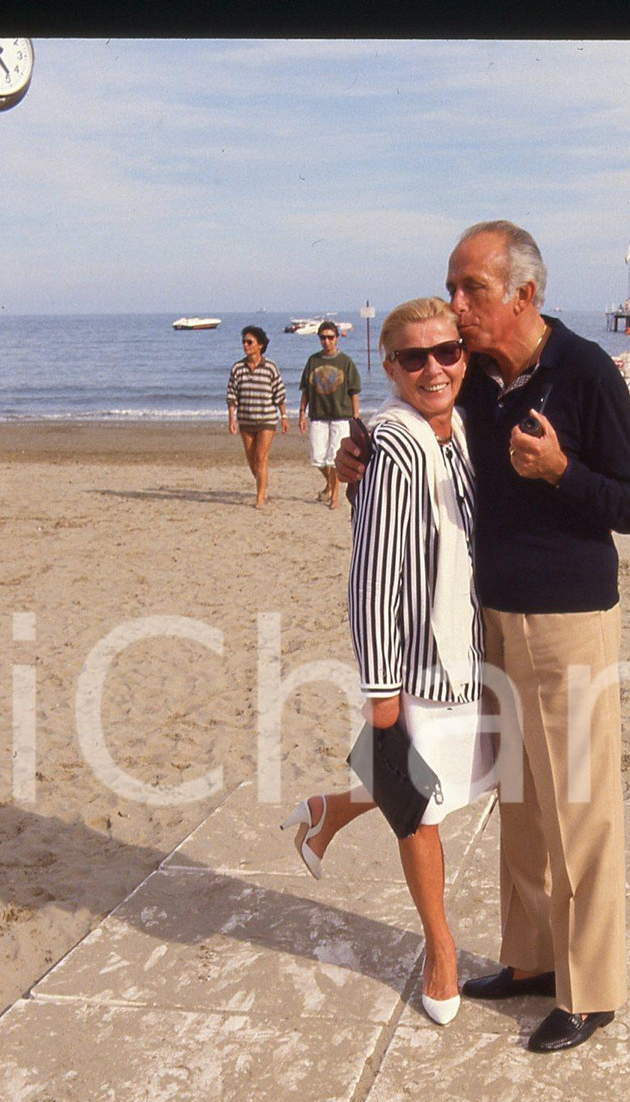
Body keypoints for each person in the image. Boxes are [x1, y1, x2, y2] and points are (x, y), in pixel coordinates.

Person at [337, 221, 630, 1054]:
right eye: (451, 286)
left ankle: (591, 990)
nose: (456, 305)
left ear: (524, 294)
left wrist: (561, 473)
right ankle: (530, 960)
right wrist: (358, 448)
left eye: (470, 288)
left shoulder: (584, 372)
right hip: (492, 622)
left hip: (570, 622)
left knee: (579, 806)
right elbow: (420, 414)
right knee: (521, 802)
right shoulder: (477, 379)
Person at [282, 298, 492, 1026]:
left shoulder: (462, 422)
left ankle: (327, 811)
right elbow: (372, 576)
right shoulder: (395, 442)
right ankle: (440, 949)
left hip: (470, 651)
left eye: (447, 352)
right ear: (388, 363)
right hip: (418, 663)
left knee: (438, 785)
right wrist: (380, 697)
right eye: (413, 357)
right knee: (420, 808)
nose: (434, 368)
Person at [298, 321, 362, 510]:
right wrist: (301, 413)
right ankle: (330, 484)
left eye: (330, 337)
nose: (326, 341)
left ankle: (334, 495)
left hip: (341, 415)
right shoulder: (313, 361)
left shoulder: (345, 362)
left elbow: (354, 392)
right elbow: (306, 391)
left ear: (336, 338)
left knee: (334, 457)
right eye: (323, 337)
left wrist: (356, 418)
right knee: (318, 457)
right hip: (318, 415)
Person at [226, 326, 289, 507]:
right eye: (244, 342)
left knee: (261, 458)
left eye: (249, 342)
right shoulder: (238, 368)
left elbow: (279, 394)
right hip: (246, 420)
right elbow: (231, 396)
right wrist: (231, 419)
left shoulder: (270, 367)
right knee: (252, 460)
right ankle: (263, 484)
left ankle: (260, 497)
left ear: (260, 345)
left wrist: (284, 416)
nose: (245, 345)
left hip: (267, 420)